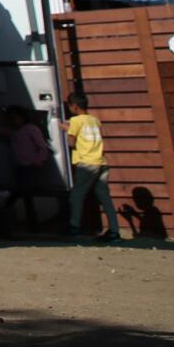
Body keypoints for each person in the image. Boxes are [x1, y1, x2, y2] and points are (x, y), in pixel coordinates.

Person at [64, 93, 119, 242]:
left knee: (77, 195)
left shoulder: (75, 120)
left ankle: (74, 227)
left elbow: (71, 142)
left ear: (74, 106)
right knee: (105, 197)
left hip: (87, 163)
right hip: (101, 162)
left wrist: (66, 129)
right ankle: (114, 231)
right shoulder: (95, 120)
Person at [6, 106, 53, 233]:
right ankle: (32, 225)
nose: (13, 121)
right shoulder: (14, 131)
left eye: (15, 118)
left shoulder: (31, 129)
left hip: (29, 166)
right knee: (25, 194)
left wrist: (38, 161)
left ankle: (32, 225)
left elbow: (42, 147)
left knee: (24, 193)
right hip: (20, 167)